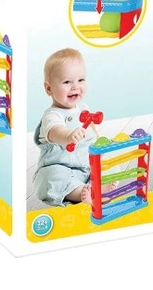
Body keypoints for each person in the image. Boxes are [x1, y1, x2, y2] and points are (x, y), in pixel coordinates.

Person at [33, 48, 116, 207]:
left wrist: (100, 144)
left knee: (111, 164)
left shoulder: (83, 108)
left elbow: (92, 131)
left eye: (81, 80)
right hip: (62, 168)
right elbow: (55, 131)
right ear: (49, 88)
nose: (75, 86)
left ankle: (99, 187)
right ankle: (81, 193)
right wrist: (68, 136)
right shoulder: (52, 115)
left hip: (88, 166)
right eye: (67, 82)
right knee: (51, 177)